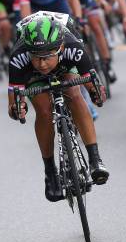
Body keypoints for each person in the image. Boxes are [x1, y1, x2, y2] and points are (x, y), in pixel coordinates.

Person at [7, 13, 109, 202]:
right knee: (44, 111)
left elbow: (93, 84)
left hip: (65, 66)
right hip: (32, 76)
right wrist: (17, 108)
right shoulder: (19, 57)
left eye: (46, 57)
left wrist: (96, 93)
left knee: (76, 95)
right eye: (36, 57)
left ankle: (95, 159)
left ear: (60, 47)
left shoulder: (73, 48)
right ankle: (50, 172)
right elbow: (13, 103)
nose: (42, 63)